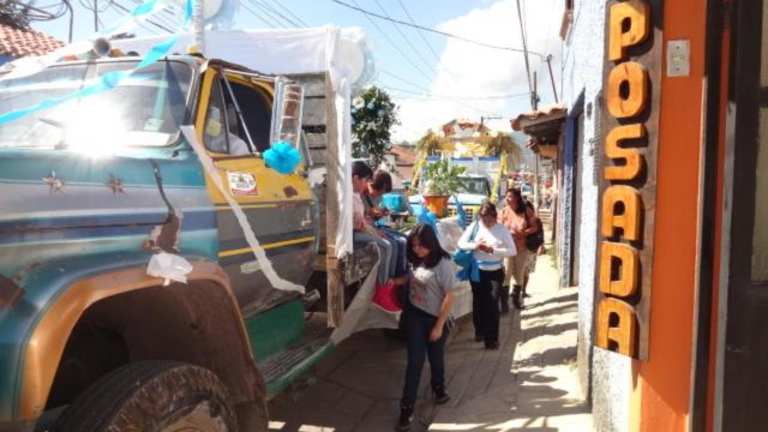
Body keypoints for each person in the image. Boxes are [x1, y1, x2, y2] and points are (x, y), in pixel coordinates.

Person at [390, 224, 455, 431]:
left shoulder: (443, 264)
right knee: (415, 363)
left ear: (431, 243)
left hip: (436, 318)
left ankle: (439, 388)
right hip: (415, 317)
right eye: (414, 245)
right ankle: (406, 410)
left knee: (436, 358)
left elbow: (450, 296)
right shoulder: (416, 259)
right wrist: (396, 281)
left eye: (421, 245)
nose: (417, 249)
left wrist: (438, 326)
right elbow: (412, 277)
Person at [458, 201, 516, 349]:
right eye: (484, 219)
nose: (487, 222)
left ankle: (492, 339)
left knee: (492, 303)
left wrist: (493, 251)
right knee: (479, 301)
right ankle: (480, 331)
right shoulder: (475, 226)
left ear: (495, 216)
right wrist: (475, 245)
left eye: (490, 219)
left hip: (495, 271)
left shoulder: (502, 230)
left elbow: (512, 251)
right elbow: (461, 243)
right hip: (477, 270)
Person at [352, 161, 393, 285]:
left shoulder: (356, 195)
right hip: (353, 235)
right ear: (356, 178)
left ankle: (386, 281)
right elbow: (359, 225)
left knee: (388, 243)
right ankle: (383, 284)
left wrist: (374, 229)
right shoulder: (350, 196)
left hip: (361, 230)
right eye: (365, 181)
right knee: (386, 246)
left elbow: (362, 221)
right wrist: (374, 232)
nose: (366, 184)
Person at [363, 169, 408, 277]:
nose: (379, 195)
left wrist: (380, 214)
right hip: (367, 229)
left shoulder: (373, 197)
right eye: (379, 192)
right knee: (394, 244)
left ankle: (401, 274)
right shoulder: (360, 195)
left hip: (373, 227)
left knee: (404, 239)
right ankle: (390, 278)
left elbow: (372, 215)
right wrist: (374, 228)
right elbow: (362, 220)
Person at [498, 188, 537, 311]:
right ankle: (504, 304)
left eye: (510, 196)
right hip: (507, 249)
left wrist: (523, 233)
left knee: (519, 274)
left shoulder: (526, 211)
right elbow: (498, 228)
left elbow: (535, 227)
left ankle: (516, 300)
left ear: (517, 198)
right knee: (506, 274)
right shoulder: (503, 212)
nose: (507, 199)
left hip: (521, 248)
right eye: (506, 196)